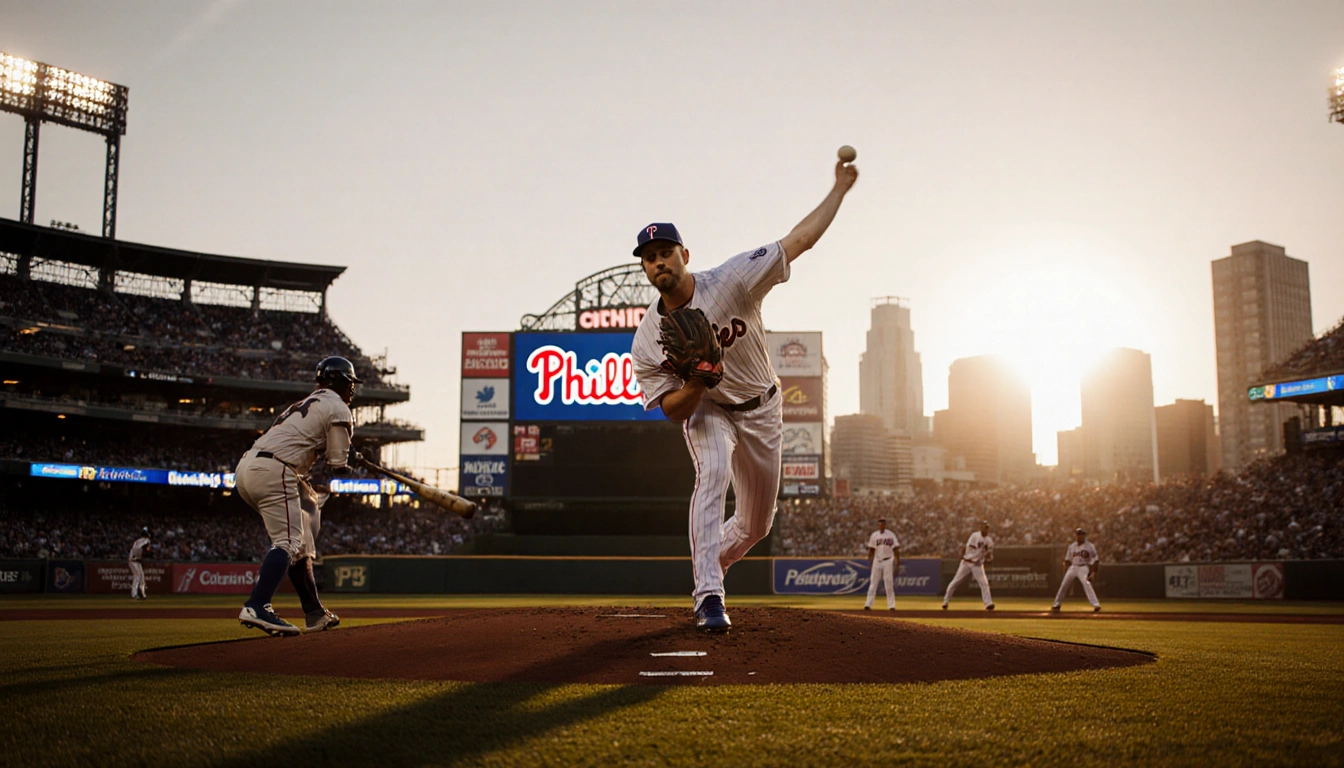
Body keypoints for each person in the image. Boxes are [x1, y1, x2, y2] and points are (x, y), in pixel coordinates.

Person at [631, 153, 859, 632]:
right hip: (710, 410)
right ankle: (708, 594)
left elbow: (799, 241)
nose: (658, 263)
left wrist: (838, 190)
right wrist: (697, 380)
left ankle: (717, 559)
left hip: (763, 408)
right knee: (711, 471)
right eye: (650, 259)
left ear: (684, 255)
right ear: (646, 270)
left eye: (665, 253)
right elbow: (672, 411)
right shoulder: (648, 338)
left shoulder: (732, 280)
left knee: (757, 526)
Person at [234, 356, 358, 636]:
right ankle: (257, 605)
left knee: (299, 543)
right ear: (341, 381)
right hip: (275, 468)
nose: (353, 389)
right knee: (289, 541)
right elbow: (339, 465)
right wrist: (353, 458)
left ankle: (314, 613)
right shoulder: (338, 406)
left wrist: (350, 454)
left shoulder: (310, 402)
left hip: (247, 467)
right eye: (350, 383)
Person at [942, 520, 995, 611]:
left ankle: (988, 604)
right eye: (984, 527)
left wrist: (988, 558)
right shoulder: (975, 536)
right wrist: (962, 557)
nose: (985, 529)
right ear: (980, 527)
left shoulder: (989, 541)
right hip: (967, 562)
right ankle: (945, 601)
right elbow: (967, 547)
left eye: (987, 528)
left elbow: (988, 554)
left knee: (984, 583)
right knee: (955, 582)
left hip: (977, 565)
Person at [1052, 528, 1101, 612]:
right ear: (1076, 536)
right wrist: (1066, 569)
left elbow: (1096, 560)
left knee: (1087, 584)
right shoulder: (1072, 546)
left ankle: (1096, 605)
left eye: (1083, 535)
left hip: (1083, 567)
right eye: (1079, 534)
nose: (1081, 536)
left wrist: (1093, 572)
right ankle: (1056, 604)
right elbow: (1067, 559)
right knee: (1064, 585)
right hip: (1073, 567)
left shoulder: (1090, 546)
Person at [863, 517, 900, 611]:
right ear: (878, 525)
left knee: (888, 583)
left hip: (888, 560)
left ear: (885, 525)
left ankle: (891, 605)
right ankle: (868, 604)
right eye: (880, 524)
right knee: (873, 583)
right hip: (877, 560)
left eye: (883, 523)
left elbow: (896, 549)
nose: (881, 525)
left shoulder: (891, 535)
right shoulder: (874, 535)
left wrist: (897, 562)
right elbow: (871, 549)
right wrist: (870, 560)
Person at [128, 528, 151, 600]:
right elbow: (145, 550)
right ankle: (134, 594)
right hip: (134, 560)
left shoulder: (137, 541)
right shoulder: (146, 540)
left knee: (141, 577)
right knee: (137, 576)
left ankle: (142, 593)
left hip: (135, 559)